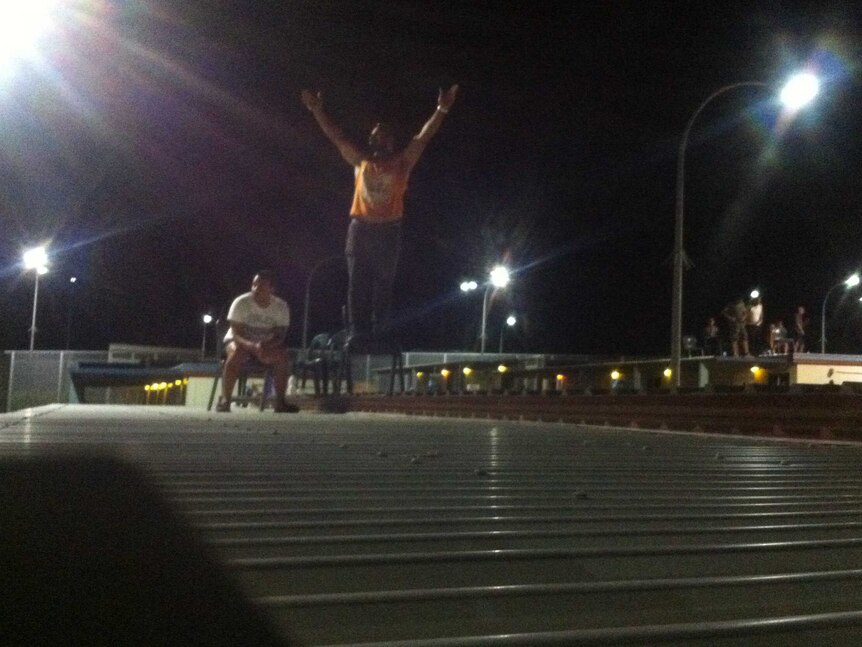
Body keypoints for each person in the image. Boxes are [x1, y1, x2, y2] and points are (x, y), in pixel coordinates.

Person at [301, 84, 459, 339]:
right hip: (361, 228)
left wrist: (441, 110)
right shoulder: (361, 162)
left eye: (382, 136)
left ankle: (380, 331)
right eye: (374, 136)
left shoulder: (402, 163)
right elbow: (336, 137)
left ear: (390, 141)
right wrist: (317, 111)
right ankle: (356, 331)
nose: (377, 139)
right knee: (357, 283)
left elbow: (423, 137)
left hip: (388, 230)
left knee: (383, 283)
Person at [217, 271, 298, 413]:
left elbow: (280, 336)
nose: (255, 288)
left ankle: (280, 402)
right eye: (254, 284)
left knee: (282, 357)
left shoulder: (281, 307)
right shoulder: (241, 303)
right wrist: (251, 346)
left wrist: (264, 346)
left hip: (266, 344)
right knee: (237, 353)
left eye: (261, 285)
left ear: (271, 289)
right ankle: (225, 400)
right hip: (240, 341)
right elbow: (236, 334)